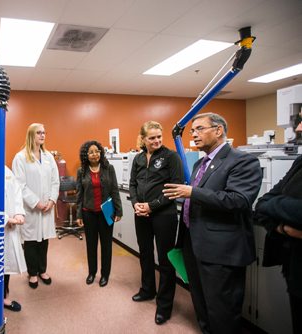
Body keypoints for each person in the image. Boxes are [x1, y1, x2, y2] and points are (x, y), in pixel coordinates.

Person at [162, 112, 262, 334]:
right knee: (201, 301)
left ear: (218, 131)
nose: (194, 135)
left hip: (220, 250)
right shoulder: (200, 164)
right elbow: (200, 196)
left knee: (222, 309)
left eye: (199, 129)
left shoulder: (242, 161)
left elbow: (239, 200)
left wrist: (192, 192)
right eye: (192, 131)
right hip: (194, 243)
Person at [129, 121, 184, 325]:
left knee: (165, 260)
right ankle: (147, 290)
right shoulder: (138, 158)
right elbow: (133, 184)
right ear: (143, 139)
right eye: (152, 137)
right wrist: (136, 204)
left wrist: (151, 206)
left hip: (164, 215)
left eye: (159, 136)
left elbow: (175, 187)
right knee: (144, 253)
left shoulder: (171, 157)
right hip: (141, 214)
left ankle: (164, 306)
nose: (157, 141)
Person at [254, 117, 302, 334]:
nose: (299, 128)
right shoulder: (299, 162)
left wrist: (277, 205)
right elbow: (263, 204)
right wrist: (284, 227)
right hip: (295, 265)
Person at [12, 123, 59, 289]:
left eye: (44, 132)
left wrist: (52, 200)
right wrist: (36, 202)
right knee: (31, 241)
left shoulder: (48, 157)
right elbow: (20, 185)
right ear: (31, 135)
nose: (43, 135)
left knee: (44, 240)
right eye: (39, 132)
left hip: (47, 206)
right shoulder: (20, 157)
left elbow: (55, 181)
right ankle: (32, 273)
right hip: (31, 208)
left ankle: (42, 270)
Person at [76, 140, 122, 287]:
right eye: (91, 152)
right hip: (88, 213)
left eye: (97, 151)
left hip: (107, 211)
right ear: (86, 155)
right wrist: (78, 215)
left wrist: (118, 210)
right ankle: (92, 273)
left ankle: (105, 275)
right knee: (91, 245)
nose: (95, 154)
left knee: (107, 245)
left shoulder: (109, 168)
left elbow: (114, 190)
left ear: (101, 153)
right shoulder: (81, 171)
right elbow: (79, 194)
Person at [3, 166, 27, 312]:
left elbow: (16, 192)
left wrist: (18, 213)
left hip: (10, 225)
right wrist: (6, 219)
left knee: (6, 263)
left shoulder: (6, 170)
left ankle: (3, 296)